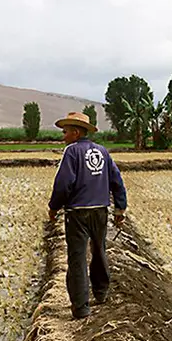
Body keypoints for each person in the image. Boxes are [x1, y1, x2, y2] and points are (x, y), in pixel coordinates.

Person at [47, 112, 127, 320]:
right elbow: (117, 180)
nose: (63, 136)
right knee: (99, 250)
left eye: (65, 132)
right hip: (100, 210)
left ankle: (81, 307)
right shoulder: (102, 151)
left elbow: (63, 184)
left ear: (75, 132)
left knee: (77, 258)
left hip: (77, 213)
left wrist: (54, 207)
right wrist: (120, 208)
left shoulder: (71, 151)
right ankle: (101, 293)